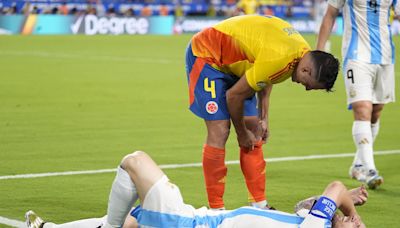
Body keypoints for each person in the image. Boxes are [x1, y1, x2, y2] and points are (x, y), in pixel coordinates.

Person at [185, 14, 339, 209]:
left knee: (255, 129)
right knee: (220, 130)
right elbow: (233, 96)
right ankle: (216, 208)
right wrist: (241, 134)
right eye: (309, 85)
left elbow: (267, 77)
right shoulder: (281, 58)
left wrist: (263, 117)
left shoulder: (302, 53)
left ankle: (259, 204)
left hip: (239, 65)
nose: (306, 89)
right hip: (208, 56)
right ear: (307, 70)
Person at [26, 150, 367, 228]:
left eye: (352, 225)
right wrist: (345, 202)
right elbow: (302, 205)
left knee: (134, 161)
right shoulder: (310, 220)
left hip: (190, 224)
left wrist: (349, 209)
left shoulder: (316, 227)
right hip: (197, 219)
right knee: (132, 220)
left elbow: (334, 187)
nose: (351, 220)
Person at [316, 0, 399, 189]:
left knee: (376, 111)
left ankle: (358, 164)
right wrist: (319, 54)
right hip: (356, 56)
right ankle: (370, 170)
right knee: (363, 108)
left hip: (386, 57)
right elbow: (330, 15)